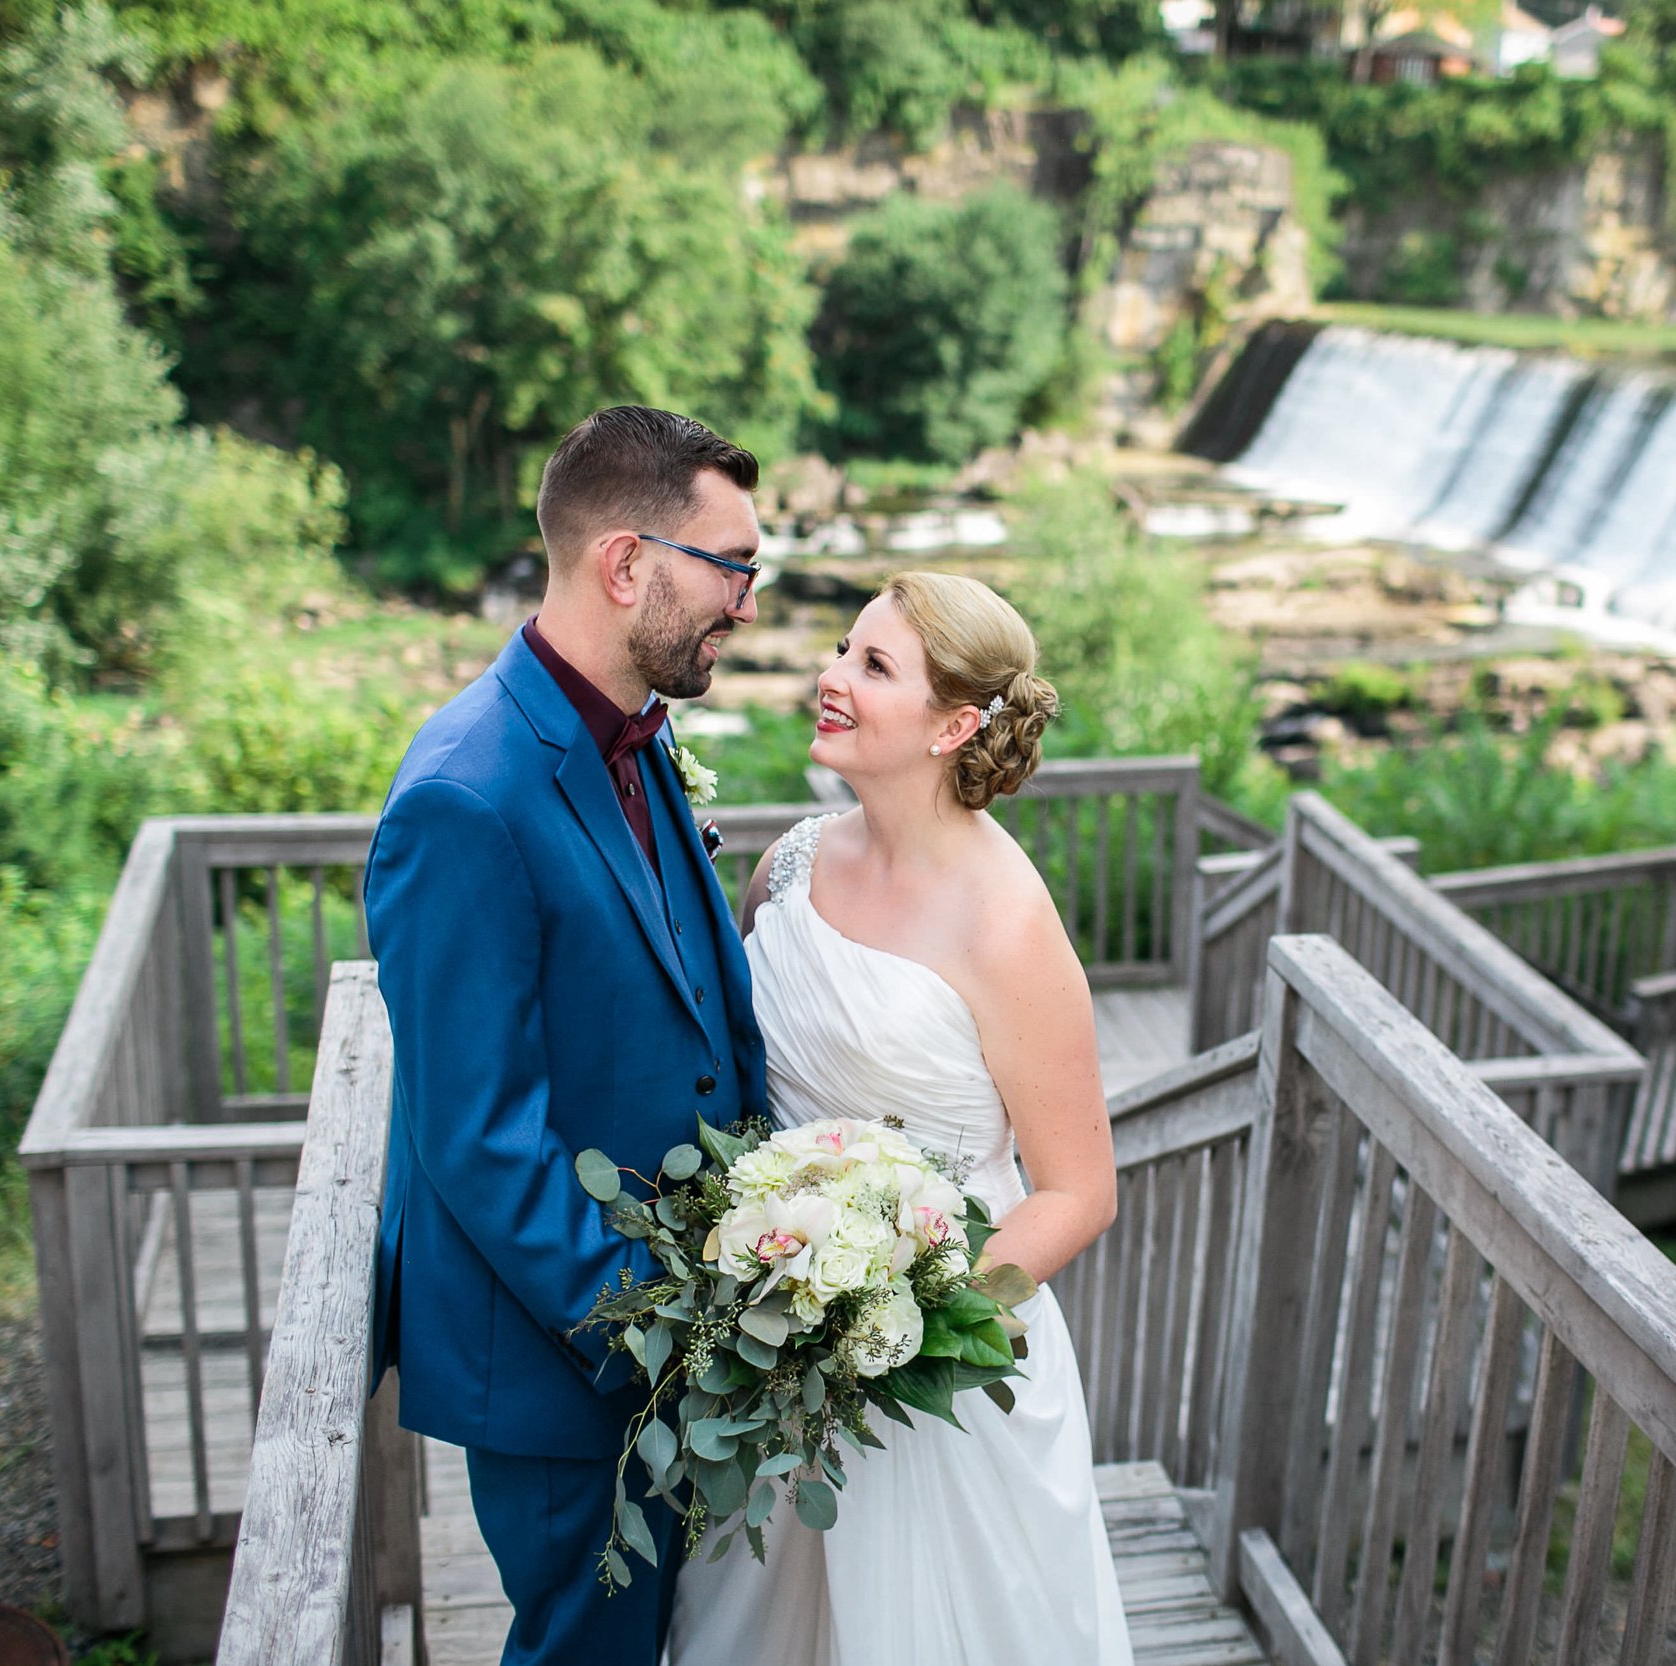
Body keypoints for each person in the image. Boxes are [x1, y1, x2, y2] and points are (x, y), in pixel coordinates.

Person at [663, 570, 1133, 1666]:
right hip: (775, 1343)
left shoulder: (1007, 925)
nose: (831, 676)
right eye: (842, 648)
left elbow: (1079, 1191)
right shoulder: (788, 865)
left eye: (873, 665)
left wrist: (899, 1325)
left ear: (953, 725)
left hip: (936, 1380)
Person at [364, 406, 769, 1664]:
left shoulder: (636, 727)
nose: (748, 604)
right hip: (572, 1361)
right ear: (627, 563)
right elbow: (479, 1138)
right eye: (732, 567)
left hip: (680, 1328)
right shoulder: (463, 795)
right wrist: (655, 1333)